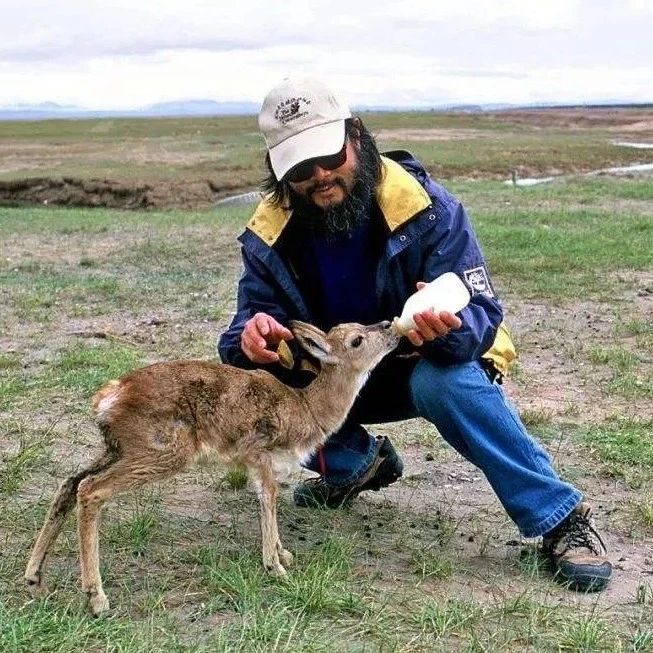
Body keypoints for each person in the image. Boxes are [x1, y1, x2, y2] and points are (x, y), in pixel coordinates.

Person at [218, 76, 612, 592]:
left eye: (328, 155)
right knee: (250, 383)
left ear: (355, 136)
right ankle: (356, 461)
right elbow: (241, 330)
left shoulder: (430, 210)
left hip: (416, 368)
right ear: (278, 172)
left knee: (447, 380)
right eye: (298, 168)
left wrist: (442, 331)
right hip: (333, 380)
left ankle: (558, 516)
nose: (319, 175)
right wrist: (253, 338)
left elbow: (482, 316)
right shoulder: (268, 234)